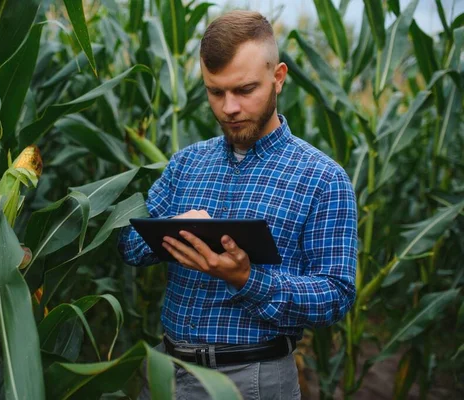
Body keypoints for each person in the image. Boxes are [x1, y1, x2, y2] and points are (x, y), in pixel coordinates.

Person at [118, 10, 357, 400]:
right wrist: (174, 227)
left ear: (278, 77)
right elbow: (128, 245)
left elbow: (335, 296)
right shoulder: (186, 163)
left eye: (245, 90)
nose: (229, 107)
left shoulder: (323, 178)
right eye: (216, 92)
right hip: (165, 372)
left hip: (252, 380)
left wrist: (247, 280)